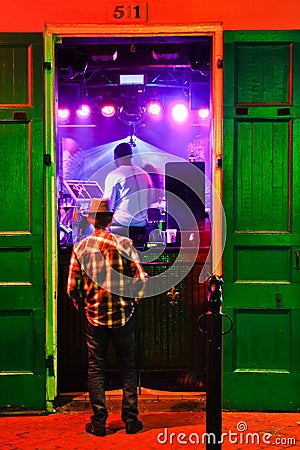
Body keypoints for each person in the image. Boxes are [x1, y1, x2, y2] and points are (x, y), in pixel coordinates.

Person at [67, 198, 146, 437]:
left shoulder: (80, 248)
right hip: (123, 315)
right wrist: (131, 301)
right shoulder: (125, 244)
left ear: (91, 220)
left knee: (96, 368)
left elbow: (73, 286)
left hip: (95, 316)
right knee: (128, 367)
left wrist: (83, 303)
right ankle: (131, 420)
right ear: (111, 219)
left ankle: (99, 422)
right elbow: (140, 279)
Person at [103, 142, 153, 247]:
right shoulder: (144, 174)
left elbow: (107, 205)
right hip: (142, 223)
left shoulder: (114, 175)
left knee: (92, 225)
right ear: (131, 156)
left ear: (115, 157)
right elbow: (150, 200)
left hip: (123, 223)